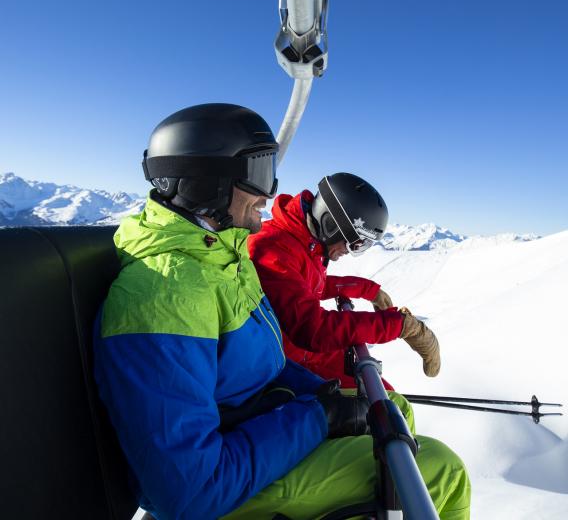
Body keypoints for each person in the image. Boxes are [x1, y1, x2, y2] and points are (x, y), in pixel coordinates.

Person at [94, 104, 470, 520]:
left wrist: (322, 395)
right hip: (227, 485)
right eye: (257, 172)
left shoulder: (224, 262)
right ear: (206, 181)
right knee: (442, 471)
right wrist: (318, 416)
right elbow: (188, 492)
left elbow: (269, 361)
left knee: (393, 415)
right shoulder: (162, 296)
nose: (269, 192)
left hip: (257, 427)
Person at [248, 172, 441, 389]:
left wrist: (368, 290)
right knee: (389, 409)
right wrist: (401, 326)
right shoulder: (273, 248)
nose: (350, 251)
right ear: (332, 225)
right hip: (281, 363)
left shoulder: (302, 242)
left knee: (385, 394)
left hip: (299, 351)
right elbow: (312, 329)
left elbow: (309, 286)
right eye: (355, 242)